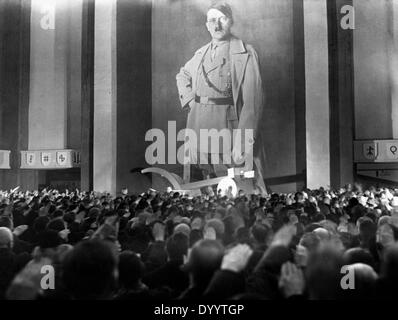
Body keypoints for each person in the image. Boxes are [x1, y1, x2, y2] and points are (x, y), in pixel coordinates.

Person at [176, 1, 267, 194]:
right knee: (206, 182)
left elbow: (252, 104)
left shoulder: (245, 54)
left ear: (231, 21)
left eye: (222, 19)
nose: (217, 25)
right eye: (212, 20)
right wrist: (192, 102)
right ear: (207, 25)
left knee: (235, 184)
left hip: (228, 129)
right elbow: (182, 75)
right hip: (200, 126)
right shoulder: (201, 54)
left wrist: (242, 142)